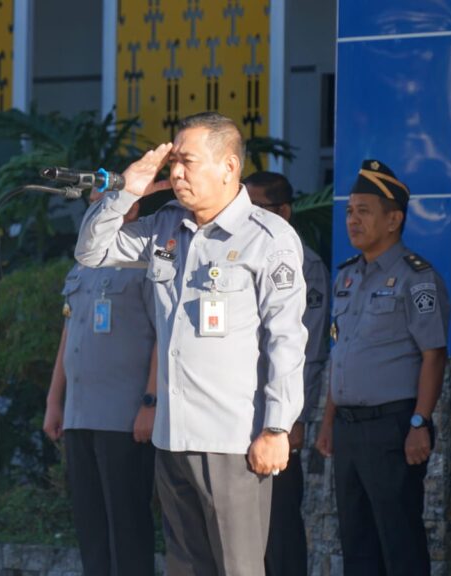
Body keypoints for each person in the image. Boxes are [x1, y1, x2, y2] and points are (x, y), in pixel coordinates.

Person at [74, 111, 308, 575]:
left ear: (228, 167)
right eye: (173, 162)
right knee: (186, 567)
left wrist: (277, 427)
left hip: (233, 439)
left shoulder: (268, 237)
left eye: (189, 161)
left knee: (238, 567)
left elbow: (285, 339)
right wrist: (127, 191)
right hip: (173, 436)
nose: (177, 173)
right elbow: (92, 252)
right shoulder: (165, 227)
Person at [314, 159, 449, 576]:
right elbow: (342, 353)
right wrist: (328, 420)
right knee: (357, 544)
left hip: (392, 427)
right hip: (349, 428)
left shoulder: (417, 278)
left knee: (399, 541)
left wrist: (419, 422)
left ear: (394, 220)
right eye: (349, 211)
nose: (353, 220)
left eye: (364, 211)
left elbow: (433, 355)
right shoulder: (347, 277)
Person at [43, 196, 159, 576]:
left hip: (124, 416)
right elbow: (68, 333)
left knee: (127, 527)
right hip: (80, 413)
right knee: (90, 528)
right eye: (99, 198)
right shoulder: (84, 260)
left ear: (135, 204)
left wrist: (151, 402)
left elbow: (164, 336)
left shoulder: (146, 256)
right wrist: (54, 401)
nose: (104, 205)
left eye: (114, 197)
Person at [244, 171, 329, 576]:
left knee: (278, 526)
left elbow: (306, 350)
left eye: (257, 208)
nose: (246, 217)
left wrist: (293, 417)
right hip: (239, 412)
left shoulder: (303, 263)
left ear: (283, 212)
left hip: (277, 417)